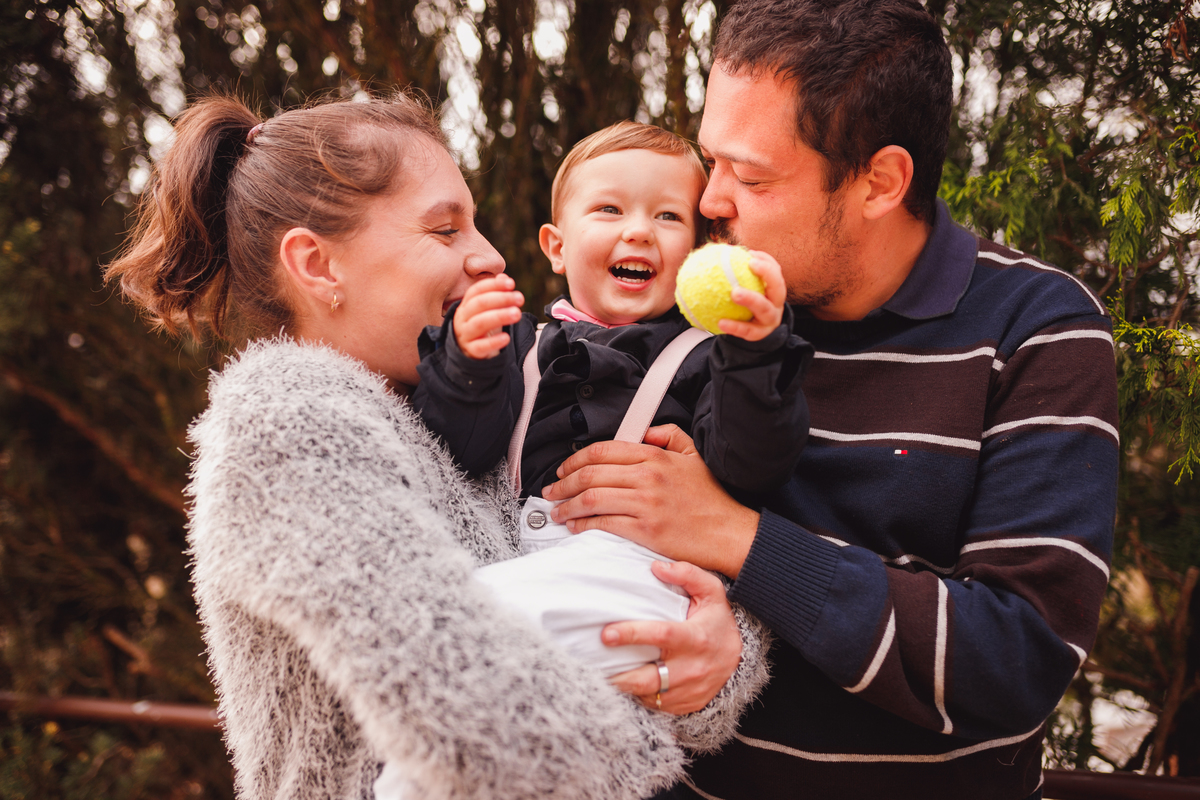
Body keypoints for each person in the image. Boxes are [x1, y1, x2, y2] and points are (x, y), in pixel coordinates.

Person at [105, 94, 770, 800]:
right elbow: (464, 703)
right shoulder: (286, 425)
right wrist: (649, 730)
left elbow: (618, 605)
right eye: (445, 228)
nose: (487, 255)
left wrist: (718, 659)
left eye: (475, 226)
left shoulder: (463, 402)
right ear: (319, 265)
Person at [542, 1, 1120, 798]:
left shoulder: (1037, 330)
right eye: (713, 160)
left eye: (750, 175)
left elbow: (1016, 661)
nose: (710, 202)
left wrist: (739, 540)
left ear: (881, 181)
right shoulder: (678, 317)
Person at [412, 120, 811, 678]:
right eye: (609, 210)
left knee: (454, 631)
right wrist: (465, 365)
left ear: (697, 253)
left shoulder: (706, 356)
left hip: (639, 577)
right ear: (556, 246)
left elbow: (753, 465)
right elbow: (461, 452)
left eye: (669, 216)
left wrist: (754, 355)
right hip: (521, 563)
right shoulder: (520, 345)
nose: (640, 232)